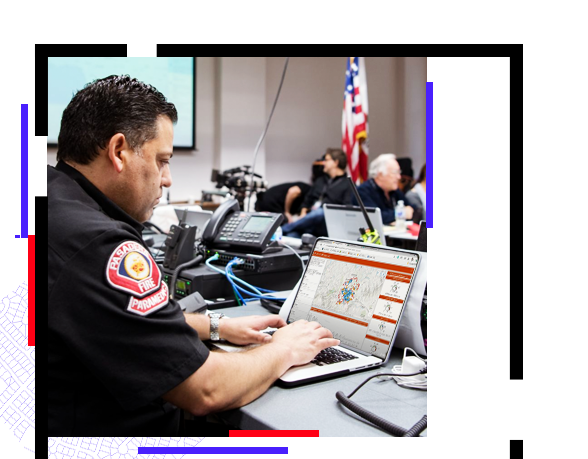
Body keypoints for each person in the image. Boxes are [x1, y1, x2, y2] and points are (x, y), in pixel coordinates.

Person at [48, 75, 339, 436]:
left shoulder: (51, 202)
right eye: (162, 160)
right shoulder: (101, 245)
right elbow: (205, 389)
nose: (167, 179)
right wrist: (285, 348)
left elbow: (111, 316)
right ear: (119, 151)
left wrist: (217, 325)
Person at [280, 148, 352, 237]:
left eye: (326, 160)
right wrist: (303, 211)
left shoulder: (349, 185)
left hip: (326, 224)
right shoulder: (320, 180)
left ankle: (283, 229)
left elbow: (346, 210)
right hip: (308, 222)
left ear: (335, 162)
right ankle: (285, 231)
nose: (323, 163)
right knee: (290, 236)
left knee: (321, 212)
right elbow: (307, 200)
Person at [355, 153, 414, 226]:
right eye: (395, 173)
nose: (398, 177)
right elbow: (374, 217)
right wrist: (400, 213)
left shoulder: (394, 190)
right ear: (380, 175)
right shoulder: (363, 191)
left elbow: (411, 209)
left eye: (399, 172)